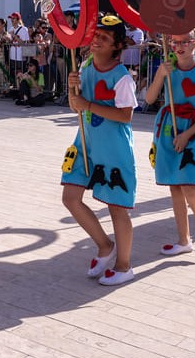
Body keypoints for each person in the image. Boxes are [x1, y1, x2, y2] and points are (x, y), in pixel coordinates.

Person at [63, 15, 137, 285]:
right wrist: (72, 89)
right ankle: (105, 246)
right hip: (85, 143)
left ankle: (124, 265)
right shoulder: (83, 66)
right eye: (95, 35)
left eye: (104, 38)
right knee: (70, 197)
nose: (96, 40)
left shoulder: (122, 77)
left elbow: (125, 116)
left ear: (117, 45)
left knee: (117, 208)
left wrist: (87, 104)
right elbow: (75, 107)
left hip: (114, 148)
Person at [145, 28, 195, 255]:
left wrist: (187, 135)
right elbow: (149, 99)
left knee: (188, 184)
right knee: (174, 186)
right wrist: (160, 75)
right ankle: (183, 240)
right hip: (168, 127)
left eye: (185, 42)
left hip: (194, 130)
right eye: (174, 42)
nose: (179, 47)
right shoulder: (167, 70)